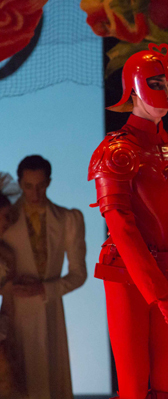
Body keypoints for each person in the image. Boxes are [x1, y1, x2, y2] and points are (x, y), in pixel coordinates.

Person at [88, 44, 168, 399]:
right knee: (133, 384)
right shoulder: (115, 152)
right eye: (156, 82)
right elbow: (121, 225)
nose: (166, 91)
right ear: (134, 88)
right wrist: (161, 296)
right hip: (127, 274)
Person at [0, 155, 87, 399]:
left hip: (50, 316)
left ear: (49, 182)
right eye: (28, 186)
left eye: (40, 185)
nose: (35, 193)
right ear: (19, 183)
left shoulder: (68, 219)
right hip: (12, 316)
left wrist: (44, 289)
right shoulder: (4, 218)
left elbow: (79, 274)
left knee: (49, 385)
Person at [0, 191, 25, 398]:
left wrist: (5, 335)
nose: (7, 222)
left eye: (8, 216)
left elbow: (8, 300)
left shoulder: (7, 254)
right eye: (3, 216)